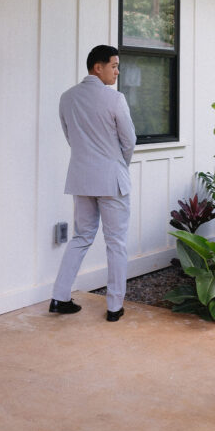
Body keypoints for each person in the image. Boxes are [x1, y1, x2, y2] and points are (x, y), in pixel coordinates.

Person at [49, 45, 137, 322]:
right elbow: (129, 141)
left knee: (81, 237)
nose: (117, 71)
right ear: (97, 67)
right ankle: (114, 307)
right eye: (114, 66)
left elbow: (70, 136)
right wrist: (118, 163)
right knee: (116, 242)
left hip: (81, 177)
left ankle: (59, 297)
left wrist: (90, 159)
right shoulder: (115, 99)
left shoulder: (67, 98)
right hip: (111, 179)